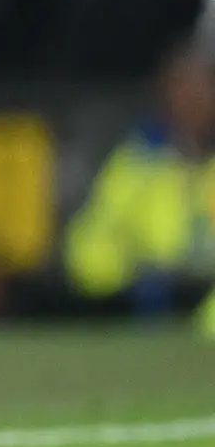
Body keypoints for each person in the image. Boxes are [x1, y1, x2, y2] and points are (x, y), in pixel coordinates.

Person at [59, 45, 215, 316]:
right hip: (150, 305)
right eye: (183, 88)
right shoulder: (137, 163)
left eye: (203, 89)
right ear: (166, 94)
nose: (194, 99)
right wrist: (136, 277)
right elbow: (89, 249)